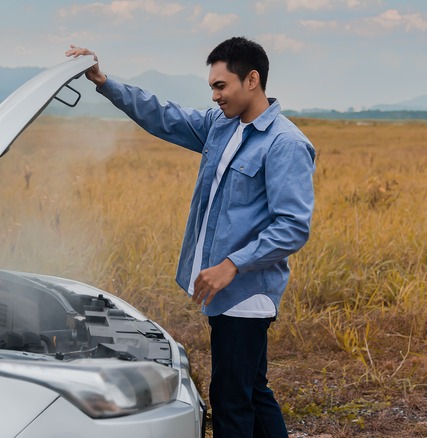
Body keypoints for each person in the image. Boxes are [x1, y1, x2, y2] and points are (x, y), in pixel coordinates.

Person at [66, 37, 315, 438]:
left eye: (221, 86)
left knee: (231, 400)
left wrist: (231, 266)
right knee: (252, 389)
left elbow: (293, 226)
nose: (215, 96)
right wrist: (103, 82)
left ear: (252, 80)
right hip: (226, 290)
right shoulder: (222, 126)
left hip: (246, 293)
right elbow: (163, 115)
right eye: (212, 87)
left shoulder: (285, 144)